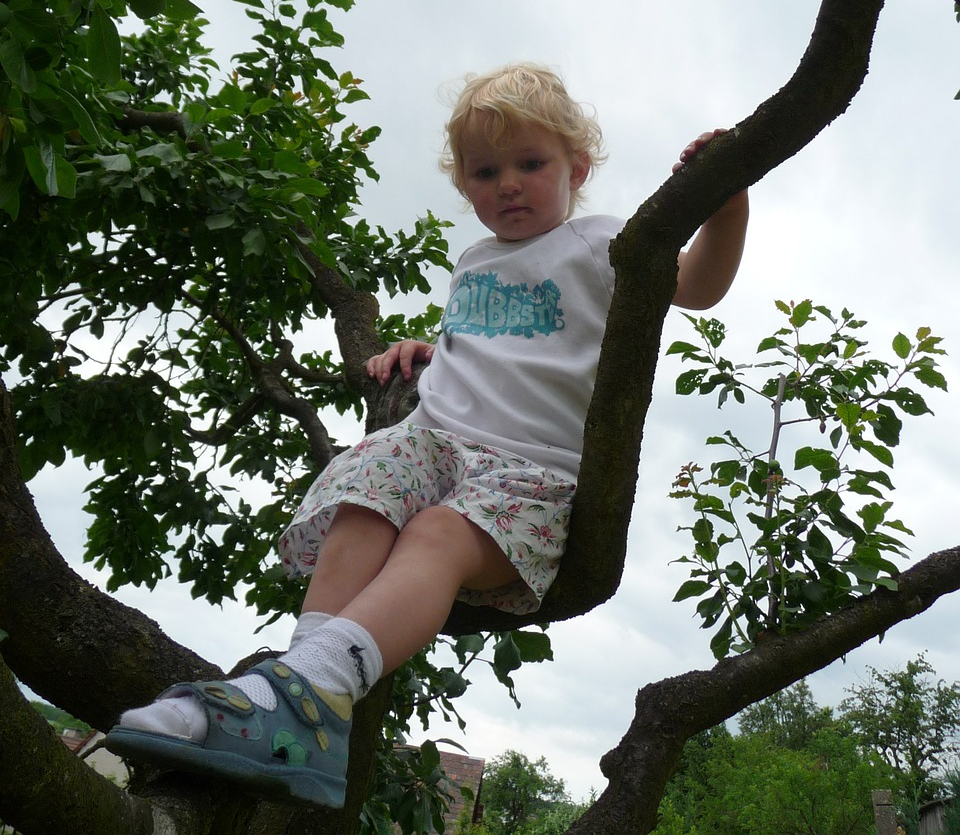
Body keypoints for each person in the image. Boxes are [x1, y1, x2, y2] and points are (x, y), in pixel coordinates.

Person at [105, 63, 749, 809]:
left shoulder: (601, 242)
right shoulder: (474, 260)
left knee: (438, 536)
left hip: (528, 473)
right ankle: (303, 690)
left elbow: (698, 287)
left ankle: (305, 689)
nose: (507, 183)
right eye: (485, 171)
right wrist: (428, 349)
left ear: (578, 167)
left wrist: (726, 204)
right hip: (437, 440)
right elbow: (495, 343)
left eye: (531, 164)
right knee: (365, 484)